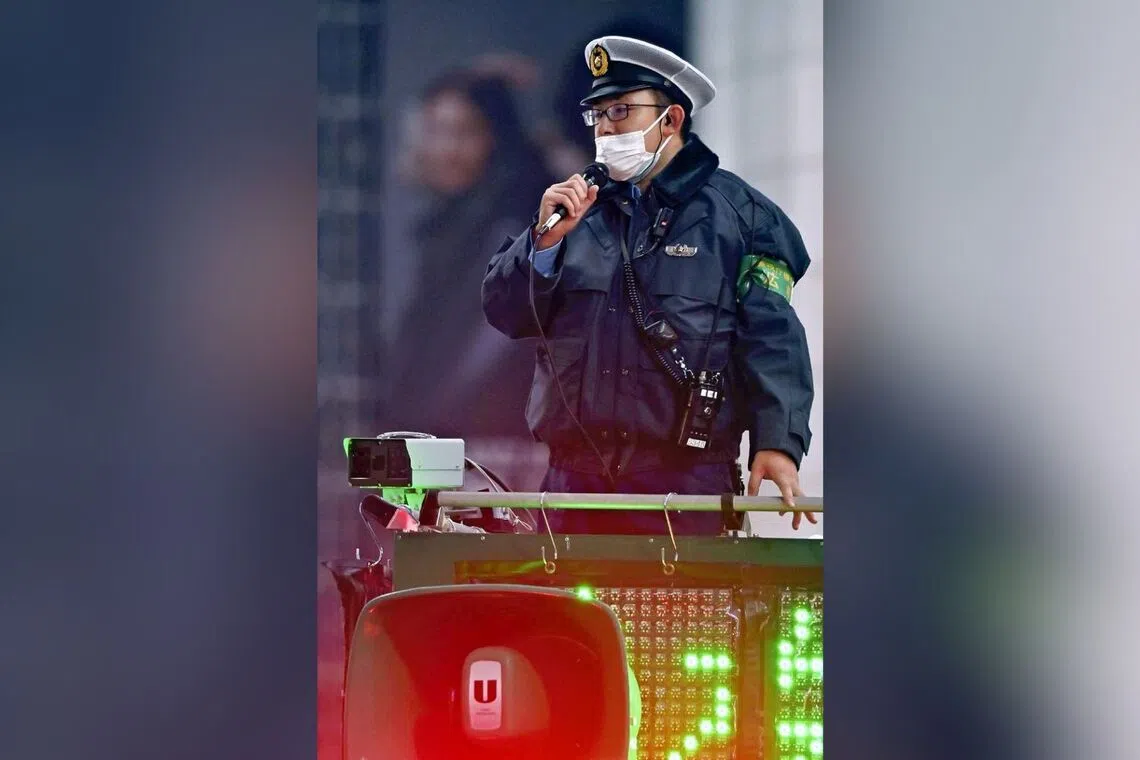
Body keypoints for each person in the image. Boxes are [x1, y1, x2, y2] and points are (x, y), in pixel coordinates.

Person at [482, 36, 816, 534]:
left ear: (672, 120)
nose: (606, 128)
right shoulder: (576, 212)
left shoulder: (742, 217)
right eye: (597, 115)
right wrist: (543, 243)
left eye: (621, 110)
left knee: (687, 615)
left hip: (687, 487)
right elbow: (505, 313)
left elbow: (774, 340)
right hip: (574, 487)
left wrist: (778, 442)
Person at [384, 67, 554, 440]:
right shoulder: (447, 226)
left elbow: (487, 346)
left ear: (496, 137)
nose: (447, 149)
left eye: (465, 131)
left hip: (488, 445)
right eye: (435, 131)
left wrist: (422, 427)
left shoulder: (513, 223)